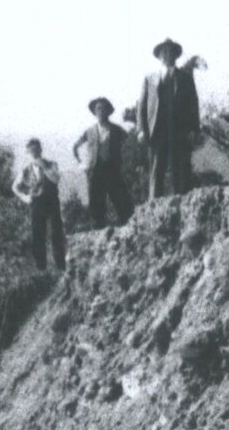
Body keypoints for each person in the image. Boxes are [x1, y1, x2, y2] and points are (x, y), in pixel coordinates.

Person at [137, 37, 203, 199]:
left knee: (180, 171)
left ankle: (183, 205)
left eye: (171, 52)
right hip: (157, 131)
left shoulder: (185, 78)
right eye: (164, 52)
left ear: (176, 55)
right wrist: (141, 130)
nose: (167, 55)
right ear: (159, 56)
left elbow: (193, 103)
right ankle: (153, 207)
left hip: (179, 131)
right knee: (156, 171)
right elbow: (142, 106)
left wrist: (194, 129)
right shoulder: (149, 79)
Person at [73, 96, 134, 227]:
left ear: (108, 111)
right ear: (94, 112)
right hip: (95, 172)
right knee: (96, 206)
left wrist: (125, 160)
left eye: (103, 108)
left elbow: (130, 142)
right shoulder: (89, 132)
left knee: (122, 202)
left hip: (113, 171)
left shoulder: (117, 130)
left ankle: (127, 229)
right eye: (98, 109)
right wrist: (82, 164)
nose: (100, 111)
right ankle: (98, 234)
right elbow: (75, 147)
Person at [11, 137, 65, 270]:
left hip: (52, 201)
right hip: (36, 203)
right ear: (28, 153)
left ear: (40, 150)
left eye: (36, 150)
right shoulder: (26, 170)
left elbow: (56, 179)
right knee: (38, 234)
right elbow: (15, 187)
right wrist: (25, 198)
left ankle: (60, 266)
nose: (34, 153)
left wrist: (44, 167)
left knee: (56, 232)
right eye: (31, 151)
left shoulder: (52, 164)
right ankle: (41, 268)